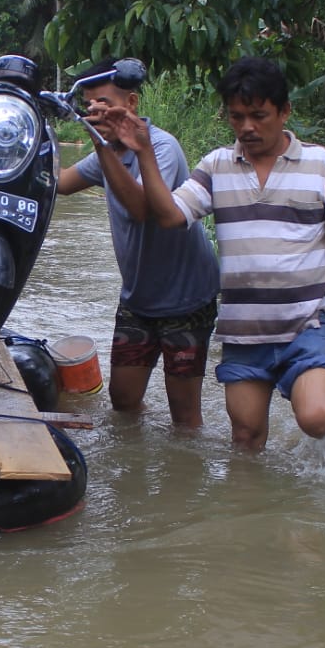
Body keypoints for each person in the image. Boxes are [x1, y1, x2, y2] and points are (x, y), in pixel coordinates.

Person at [111, 56, 325, 450]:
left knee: (315, 417)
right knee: (246, 436)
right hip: (245, 330)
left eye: (259, 115)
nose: (247, 128)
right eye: (237, 117)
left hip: (308, 322)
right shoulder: (217, 166)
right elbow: (169, 216)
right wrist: (145, 152)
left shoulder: (320, 164)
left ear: (284, 111)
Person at [57, 60, 220, 426]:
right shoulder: (108, 153)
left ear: (130, 104)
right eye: (89, 106)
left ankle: (184, 480)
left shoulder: (160, 147)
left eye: (103, 103)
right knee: (123, 401)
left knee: (183, 414)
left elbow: (141, 209)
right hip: (139, 297)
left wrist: (101, 147)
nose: (94, 113)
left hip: (186, 297)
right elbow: (61, 183)